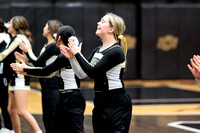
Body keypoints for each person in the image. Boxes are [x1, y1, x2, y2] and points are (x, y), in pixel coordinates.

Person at [60, 13, 132, 133]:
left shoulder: (116, 51)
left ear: (111, 29)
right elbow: (82, 74)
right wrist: (72, 58)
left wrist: (77, 54)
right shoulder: (98, 50)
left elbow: (93, 72)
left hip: (116, 101)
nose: (98, 23)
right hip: (100, 100)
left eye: (102, 21)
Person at [10, 25, 86, 133]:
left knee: (75, 130)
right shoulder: (66, 54)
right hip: (66, 97)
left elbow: (45, 71)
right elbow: (48, 73)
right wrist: (27, 69)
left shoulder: (64, 56)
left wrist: (26, 69)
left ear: (58, 38)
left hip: (71, 97)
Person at [15, 19, 63, 133]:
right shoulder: (47, 45)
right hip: (46, 87)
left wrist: (28, 50)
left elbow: (38, 63)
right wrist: (26, 61)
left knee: (51, 121)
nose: (43, 28)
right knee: (47, 120)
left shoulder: (53, 46)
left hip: (53, 86)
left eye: (46, 26)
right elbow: (39, 63)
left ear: (50, 30)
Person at [0, 16, 42, 133]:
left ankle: (38, 131)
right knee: (11, 110)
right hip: (14, 78)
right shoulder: (16, 38)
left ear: (16, 26)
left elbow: (4, 54)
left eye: (11, 23)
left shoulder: (19, 38)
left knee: (21, 111)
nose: (8, 25)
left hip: (20, 78)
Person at [0, 18, 14, 133]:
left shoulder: (5, 38)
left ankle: (9, 127)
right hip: (3, 75)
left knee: (4, 103)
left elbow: (5, 57)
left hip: (2, 75)